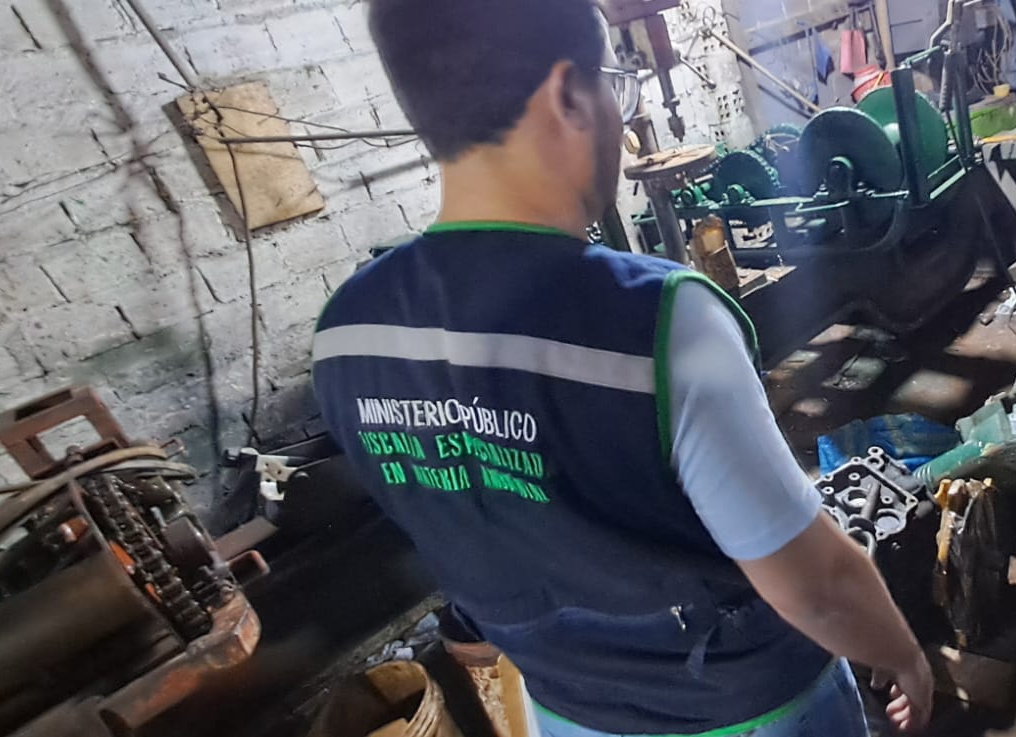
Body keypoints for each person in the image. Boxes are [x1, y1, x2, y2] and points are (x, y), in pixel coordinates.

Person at [310, 1, 933, 735]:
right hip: (749, 710)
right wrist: (903, 653)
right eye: (614, 84)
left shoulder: (345, 333)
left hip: (566, 711)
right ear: (569, 96)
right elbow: (815, 583)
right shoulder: (661, 319)